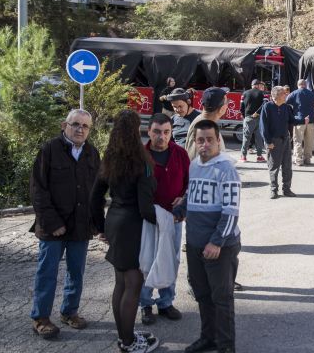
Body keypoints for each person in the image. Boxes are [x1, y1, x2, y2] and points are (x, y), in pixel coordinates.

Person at [90, 109, 159, 352]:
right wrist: (165, 221)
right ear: (136, 130)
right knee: (133, 283)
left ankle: (124, 337)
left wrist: (101, 227)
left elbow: (94, 197)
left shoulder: (109, 157)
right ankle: (129, 343)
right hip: (132, 225)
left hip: (114, 221)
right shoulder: (141, 160)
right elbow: (145, 206)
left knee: (120, 283)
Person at [29, 109, 100, 340]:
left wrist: (99, 224)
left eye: (85, 126)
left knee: (76, 273)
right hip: (53, 228)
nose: (80, 129)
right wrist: (51, 223)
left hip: (81, 226)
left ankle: (69, 312)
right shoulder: (49, 150)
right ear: (64, 125)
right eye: (75, 124)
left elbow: (97, 192)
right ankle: (40, 319)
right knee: (46, 273)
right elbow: (38, 190)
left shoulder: (92, 153)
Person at [173, 120, 241, 353]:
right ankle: (208, 337)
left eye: (209, 139)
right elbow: (191, 197)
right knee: (202, 295)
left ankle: (225, 346)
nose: (204, 144)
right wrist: (180, 211)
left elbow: (231, 211)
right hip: (194, 243)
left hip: (220, 247)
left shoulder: (226, 169)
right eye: (200, 140)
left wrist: (216, 242)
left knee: (221, 299)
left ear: (218, 140)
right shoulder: (194, 165)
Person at [139, 113, 191, 325]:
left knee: (171, 259)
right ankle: (145, 304)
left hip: (173, 219)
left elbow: (190, 184)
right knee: (146, 260)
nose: (162, 136)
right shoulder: (140, 156)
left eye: (166, 132)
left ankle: (166, 302)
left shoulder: (180, 154)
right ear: (149, 132)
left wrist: (184, 199)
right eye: (157, 132)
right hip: (147, 219)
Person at [260, 86, 296, 199]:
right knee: (274, 167)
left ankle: (287, 189)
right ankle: (274, 190)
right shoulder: (267, 107)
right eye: (283, 93)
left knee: (287, 166)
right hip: (273, 141)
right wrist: (268, 141)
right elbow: (263, 127)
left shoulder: (286, 107)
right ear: (276, 95)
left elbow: (292, 120)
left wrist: (303, 120)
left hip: (285, 139)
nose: (286, 95)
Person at [186, 87, 229, 160]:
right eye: (227, 102)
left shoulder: (203, 122)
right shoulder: (205, 129)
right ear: (222, 109)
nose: (228, 105)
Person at [286, 79, 314, 166]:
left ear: (298, 85)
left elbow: (285, 104)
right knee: (309, 141)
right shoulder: (312, 94)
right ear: (305, 85)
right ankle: (307, 159)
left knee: (298, 141)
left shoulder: (294, 93)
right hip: (311, 121)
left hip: (299, 121)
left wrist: (290, 115)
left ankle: (298, 160)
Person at [240, 79, 267, 163]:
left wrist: (245, 116)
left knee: (246, 137)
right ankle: (259, 156)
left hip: (248, 118)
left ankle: (243, 156)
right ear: (258, 85)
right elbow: (264, 105)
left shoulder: (245, 93)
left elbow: (241, 107)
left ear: (252, 85)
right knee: (259, 138)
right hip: (259, 118)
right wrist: (257, 113)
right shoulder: (262, 94)